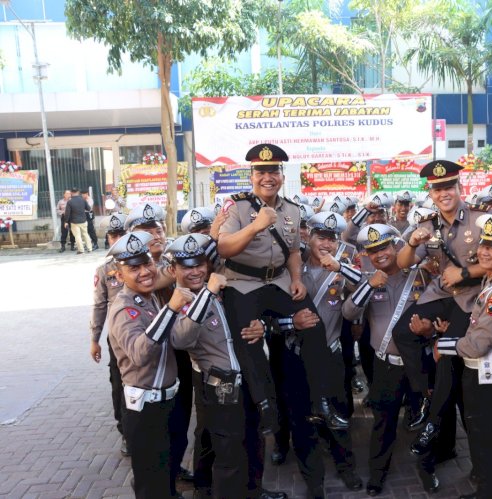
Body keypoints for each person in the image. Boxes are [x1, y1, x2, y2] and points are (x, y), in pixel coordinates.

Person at [217, 143, 347, 496]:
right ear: (252, 176)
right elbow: (224, 249)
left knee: (312, 319)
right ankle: (266, 407)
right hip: (242, 283)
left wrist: (296, 279)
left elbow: (292, 251)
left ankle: (322, 399)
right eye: (260, 172)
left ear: (281, 176)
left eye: (273, 171)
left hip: (276, 281)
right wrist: (256, 225)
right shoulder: (240, 207)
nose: (267, 177)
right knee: (248, 336)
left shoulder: (291, 210)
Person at [166, 233, 287, 499]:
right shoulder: (180, 302)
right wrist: (207, 293)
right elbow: (180, 338)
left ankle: (254, 491)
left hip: (248, 379)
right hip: (220, 388)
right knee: (229, 455)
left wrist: (262, 327)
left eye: (200, 264)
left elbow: (257, 314)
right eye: (187, 266)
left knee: (254, 441)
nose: (196, 271)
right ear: (173, 269)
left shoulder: (224, 289)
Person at [394, 160, 492, 438]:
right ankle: (424, 395)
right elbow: (404, 263)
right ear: (431, 193)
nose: (443, 194)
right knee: (402, 332)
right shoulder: (427, 225)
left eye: (448, 187)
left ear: (459, 187)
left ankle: (436, 422)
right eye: (437, 190)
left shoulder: (481, 220)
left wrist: (465, 272)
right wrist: (412, 242)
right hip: (441, 293)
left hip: (473, 297)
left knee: (448, 352)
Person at [342, 223, 439, 497]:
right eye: (372, 251)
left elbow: (440, 312)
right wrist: (369, 286)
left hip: (420, 364)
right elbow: (349, 313)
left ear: (397, 246)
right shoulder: (368, 278)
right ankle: (377, 474)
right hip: (386, 365)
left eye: (384, 247)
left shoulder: (420, 274)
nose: (379, 255)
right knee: (382, 422)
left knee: (426, 420)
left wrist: (429, 329)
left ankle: (427, 469)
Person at [434, 214, 492, 499]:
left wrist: (443, 345)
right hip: (482, 371)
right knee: (484, 436)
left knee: (486, 438)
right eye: (483, 244)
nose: (484, 251)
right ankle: (490, 490)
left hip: (487, 373)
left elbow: (478, 344)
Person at [106, 231, 193, 498]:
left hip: (164, 402)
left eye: (147, 264)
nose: (145, 272)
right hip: (145, 410)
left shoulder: (148, 298)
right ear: (119, 276)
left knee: (164, 474)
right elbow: (140, 353)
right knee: (150, 483)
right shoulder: (124, 309)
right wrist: (171, 310)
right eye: (134, 268)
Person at [289, 210, 363, 491]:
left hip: (331, 353)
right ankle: (313, 479)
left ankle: (346, 467)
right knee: (303, 419)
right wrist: (291, 321)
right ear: (308, 235)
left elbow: (366, 287)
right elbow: (268, 311)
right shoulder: (292, 268)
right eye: (321, 236)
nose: (326, 244)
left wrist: (341, 268)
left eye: (332, 239)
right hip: (297, 354)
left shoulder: (342, 268)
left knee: (338, 412)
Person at [89, 214, 128, 455]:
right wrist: (94, 339)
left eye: (121, 234)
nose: (118, 239)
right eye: (113, 236)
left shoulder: (145, 262)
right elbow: (99, 305)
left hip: (148, 333)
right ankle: (125, 432)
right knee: (119, 386)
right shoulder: (104, 271)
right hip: (117, 339)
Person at [64, 188, 93, 254]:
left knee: (77, 236)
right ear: (78, 192)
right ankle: (90, 248)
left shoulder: (70, 202)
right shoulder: (83, 200)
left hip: (74, 222)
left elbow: (67, 213)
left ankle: (81, 250)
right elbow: (89, 208)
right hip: (83, 220)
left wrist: (66, 222)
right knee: (85, 234)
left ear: (71, 192)